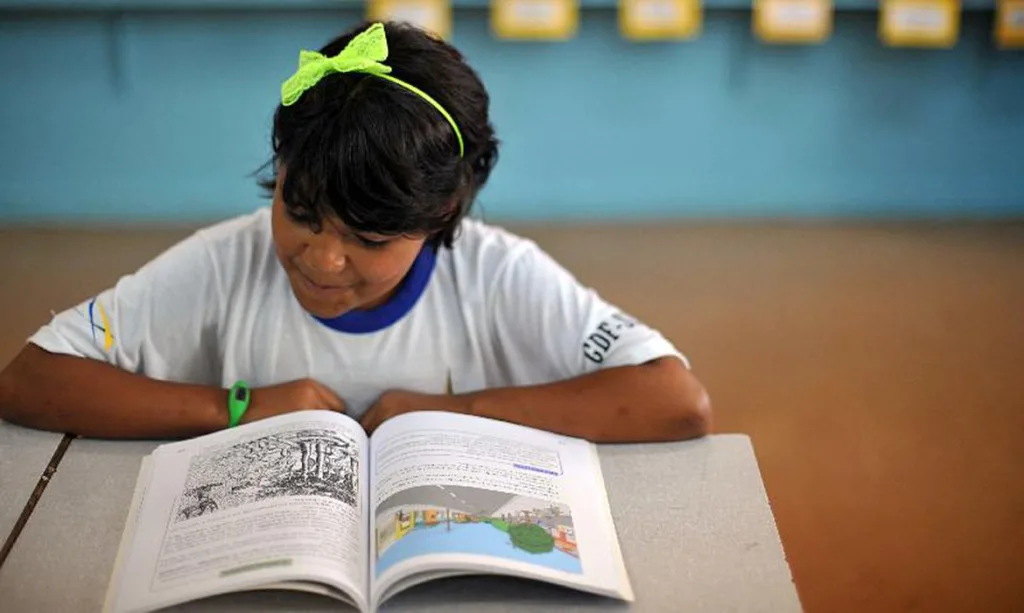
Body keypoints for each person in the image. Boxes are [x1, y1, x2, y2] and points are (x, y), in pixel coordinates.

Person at [0, 21, 711, 442]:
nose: (323, 259)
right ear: (279, 171)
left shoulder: (495, 275)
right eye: (301, 211)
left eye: (370, 240)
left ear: (440, 219)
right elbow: (29, 379)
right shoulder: (228, 263)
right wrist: (233, 407)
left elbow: (676, 400)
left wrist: (448, 411)